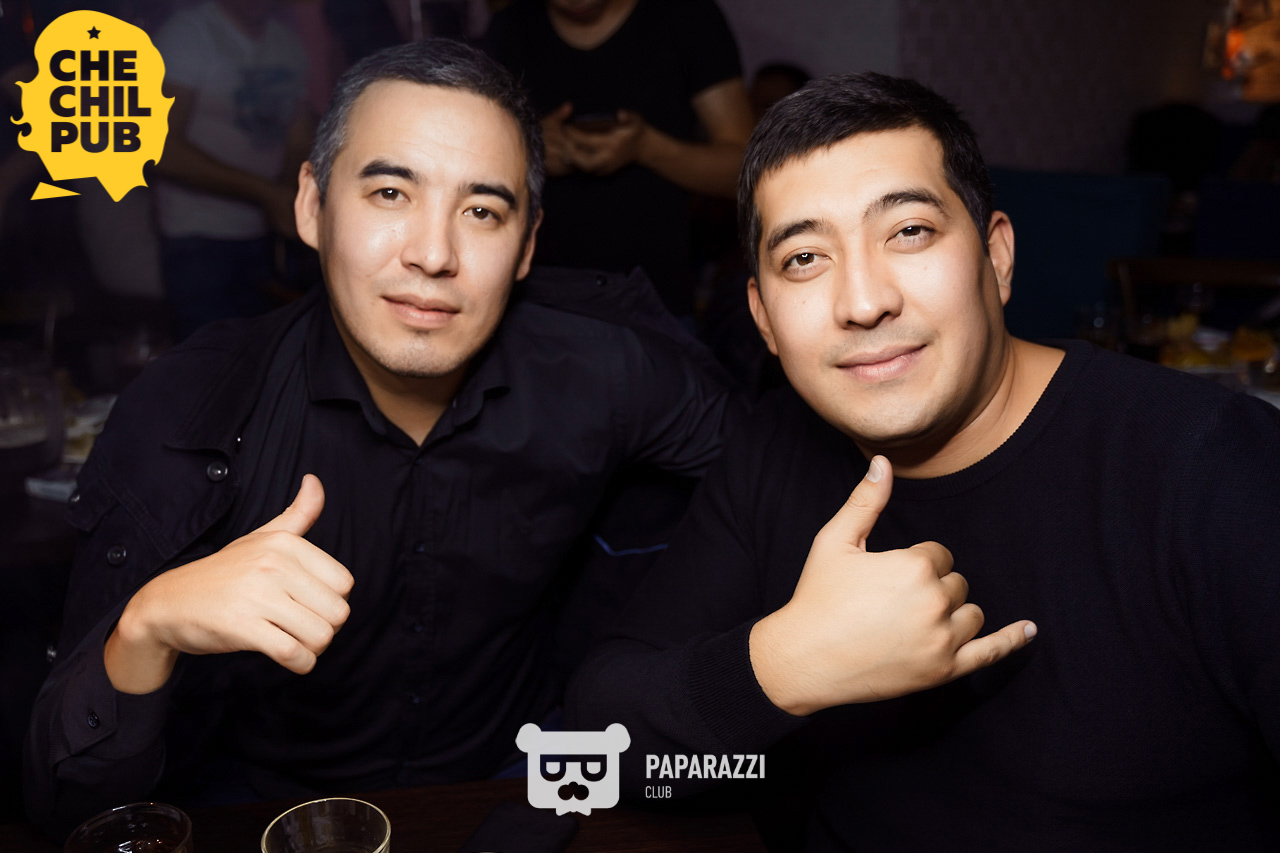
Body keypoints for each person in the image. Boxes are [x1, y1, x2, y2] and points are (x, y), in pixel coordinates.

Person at [24, 38, 737, 839]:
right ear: (311, 206)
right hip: (263, 808)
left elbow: (774, 476)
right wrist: (148, 624)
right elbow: (64, 801)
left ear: (528, 245)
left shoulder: (603, 369)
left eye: (482, 211)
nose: (432, 254)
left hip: (519, 780)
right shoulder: (192, 410)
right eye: (391, 192)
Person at [569, 72, 1280, 851]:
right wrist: (787, 665)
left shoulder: (1212, 465)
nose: (863, 301)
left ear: (996, 257)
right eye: (804, 257)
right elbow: (594, 754)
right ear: (764, 319)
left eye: (908, 231)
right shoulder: (772, 448)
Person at [485, 0, 754, 319]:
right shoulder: (509, 28)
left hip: (655, 304)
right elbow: (466, 167)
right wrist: (527, 150)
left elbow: (746, 173)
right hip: (532, 304)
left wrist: (647, 149)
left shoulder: (685, 17)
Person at [152, 0, 313, 338]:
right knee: (208, 362)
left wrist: (286, 193)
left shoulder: (287, 42)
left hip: (268, 239)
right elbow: (161, 149)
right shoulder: (187, 35)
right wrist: (265, 193)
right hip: (199, 241)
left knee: (269, 358)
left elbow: (298, 135)